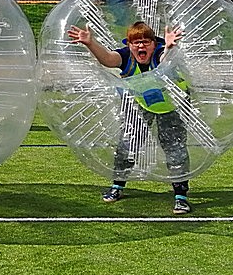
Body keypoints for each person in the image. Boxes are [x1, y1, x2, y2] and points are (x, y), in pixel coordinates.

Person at [68, 21, 192, 214]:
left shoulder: (160, 53)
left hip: (173, 106)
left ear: (154, 43)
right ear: (129, 45)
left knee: (174, 148)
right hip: (142, 104)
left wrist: (168, 47)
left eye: (145, 42)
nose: (141, 46)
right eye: (135, 43)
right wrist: (90, 43)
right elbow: (109, 59)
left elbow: (164, 62)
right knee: (128, 144)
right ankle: (118, 185)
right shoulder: (127, 56)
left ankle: (180, 195)